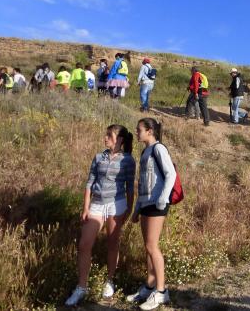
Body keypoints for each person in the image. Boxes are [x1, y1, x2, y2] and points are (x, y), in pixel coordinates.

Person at [65, 125, 136, 306]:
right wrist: (85, 208)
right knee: (84, 244)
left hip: (116, 204)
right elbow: (89, 183)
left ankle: (110, 280)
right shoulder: (98, 157)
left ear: (119, 139)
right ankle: (82, 287)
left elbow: (129, 186)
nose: (105, 138)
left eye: (109, 135)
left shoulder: (128, 160)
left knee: (113, 242)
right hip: (96, 204)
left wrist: (128, 208)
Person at [127, 118, 176, 310]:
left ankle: (162, 291)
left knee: (152, 246)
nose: (136, 132)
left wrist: (163, 199)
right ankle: (149, 286)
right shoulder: (145, 151)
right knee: (148, 247)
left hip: (157, 204)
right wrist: (137, 209)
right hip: (146, 203)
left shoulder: (158, 149)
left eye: (139, 129)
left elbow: (170, 174)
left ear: (149, 131)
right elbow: (143, 182)